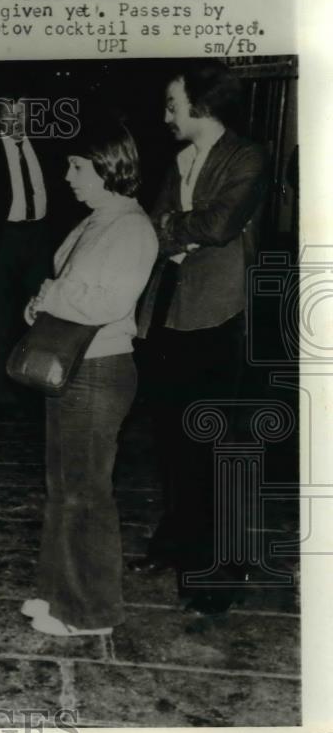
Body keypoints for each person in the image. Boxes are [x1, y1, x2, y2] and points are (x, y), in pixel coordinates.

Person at [130, 61, 268, 616]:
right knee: (172, 440)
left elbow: (217, 226)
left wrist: (171, 229)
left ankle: (219, 575)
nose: (166, 115)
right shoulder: (180, 159)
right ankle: (176, 543)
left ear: (202, 105)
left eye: (172, 103)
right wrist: (173, 230)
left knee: (214, 448)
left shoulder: (248, 157)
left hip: (217, 316)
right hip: (170, 314)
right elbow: (151, 223)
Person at [20, 119, 157, 637]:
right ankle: (60, 596)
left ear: (108, 166)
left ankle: (91, 613)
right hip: (79, 365)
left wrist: (50, 297)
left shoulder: (129, 226)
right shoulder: (101, 218)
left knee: (86, 493)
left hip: (99, 370)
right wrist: (44, 298)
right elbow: (71, 284)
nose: (68, 175)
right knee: (65, 488)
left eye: (77, 166)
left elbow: (109, 301)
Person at [0, 98, 55, 415]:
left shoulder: (43, 144)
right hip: (3, 237)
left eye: (22, 115)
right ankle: (2, 394)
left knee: (39, 315)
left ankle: (34, 386)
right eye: (10, 116)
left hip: (39, 236)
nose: (17, 122)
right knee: (0, 317)